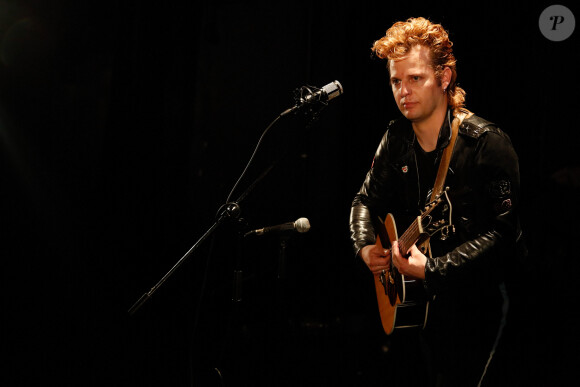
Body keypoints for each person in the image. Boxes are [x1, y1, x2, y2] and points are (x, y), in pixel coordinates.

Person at [349, 17, 523, 386]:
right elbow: (364, 199)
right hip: (431, 308)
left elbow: (504, 233)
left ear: (444, 78)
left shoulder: (486, 143)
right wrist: (365, 246)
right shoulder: (396, 137)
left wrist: (434, 269)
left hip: (489, 304)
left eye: (416, 78)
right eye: (396, 81)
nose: (403, 91)